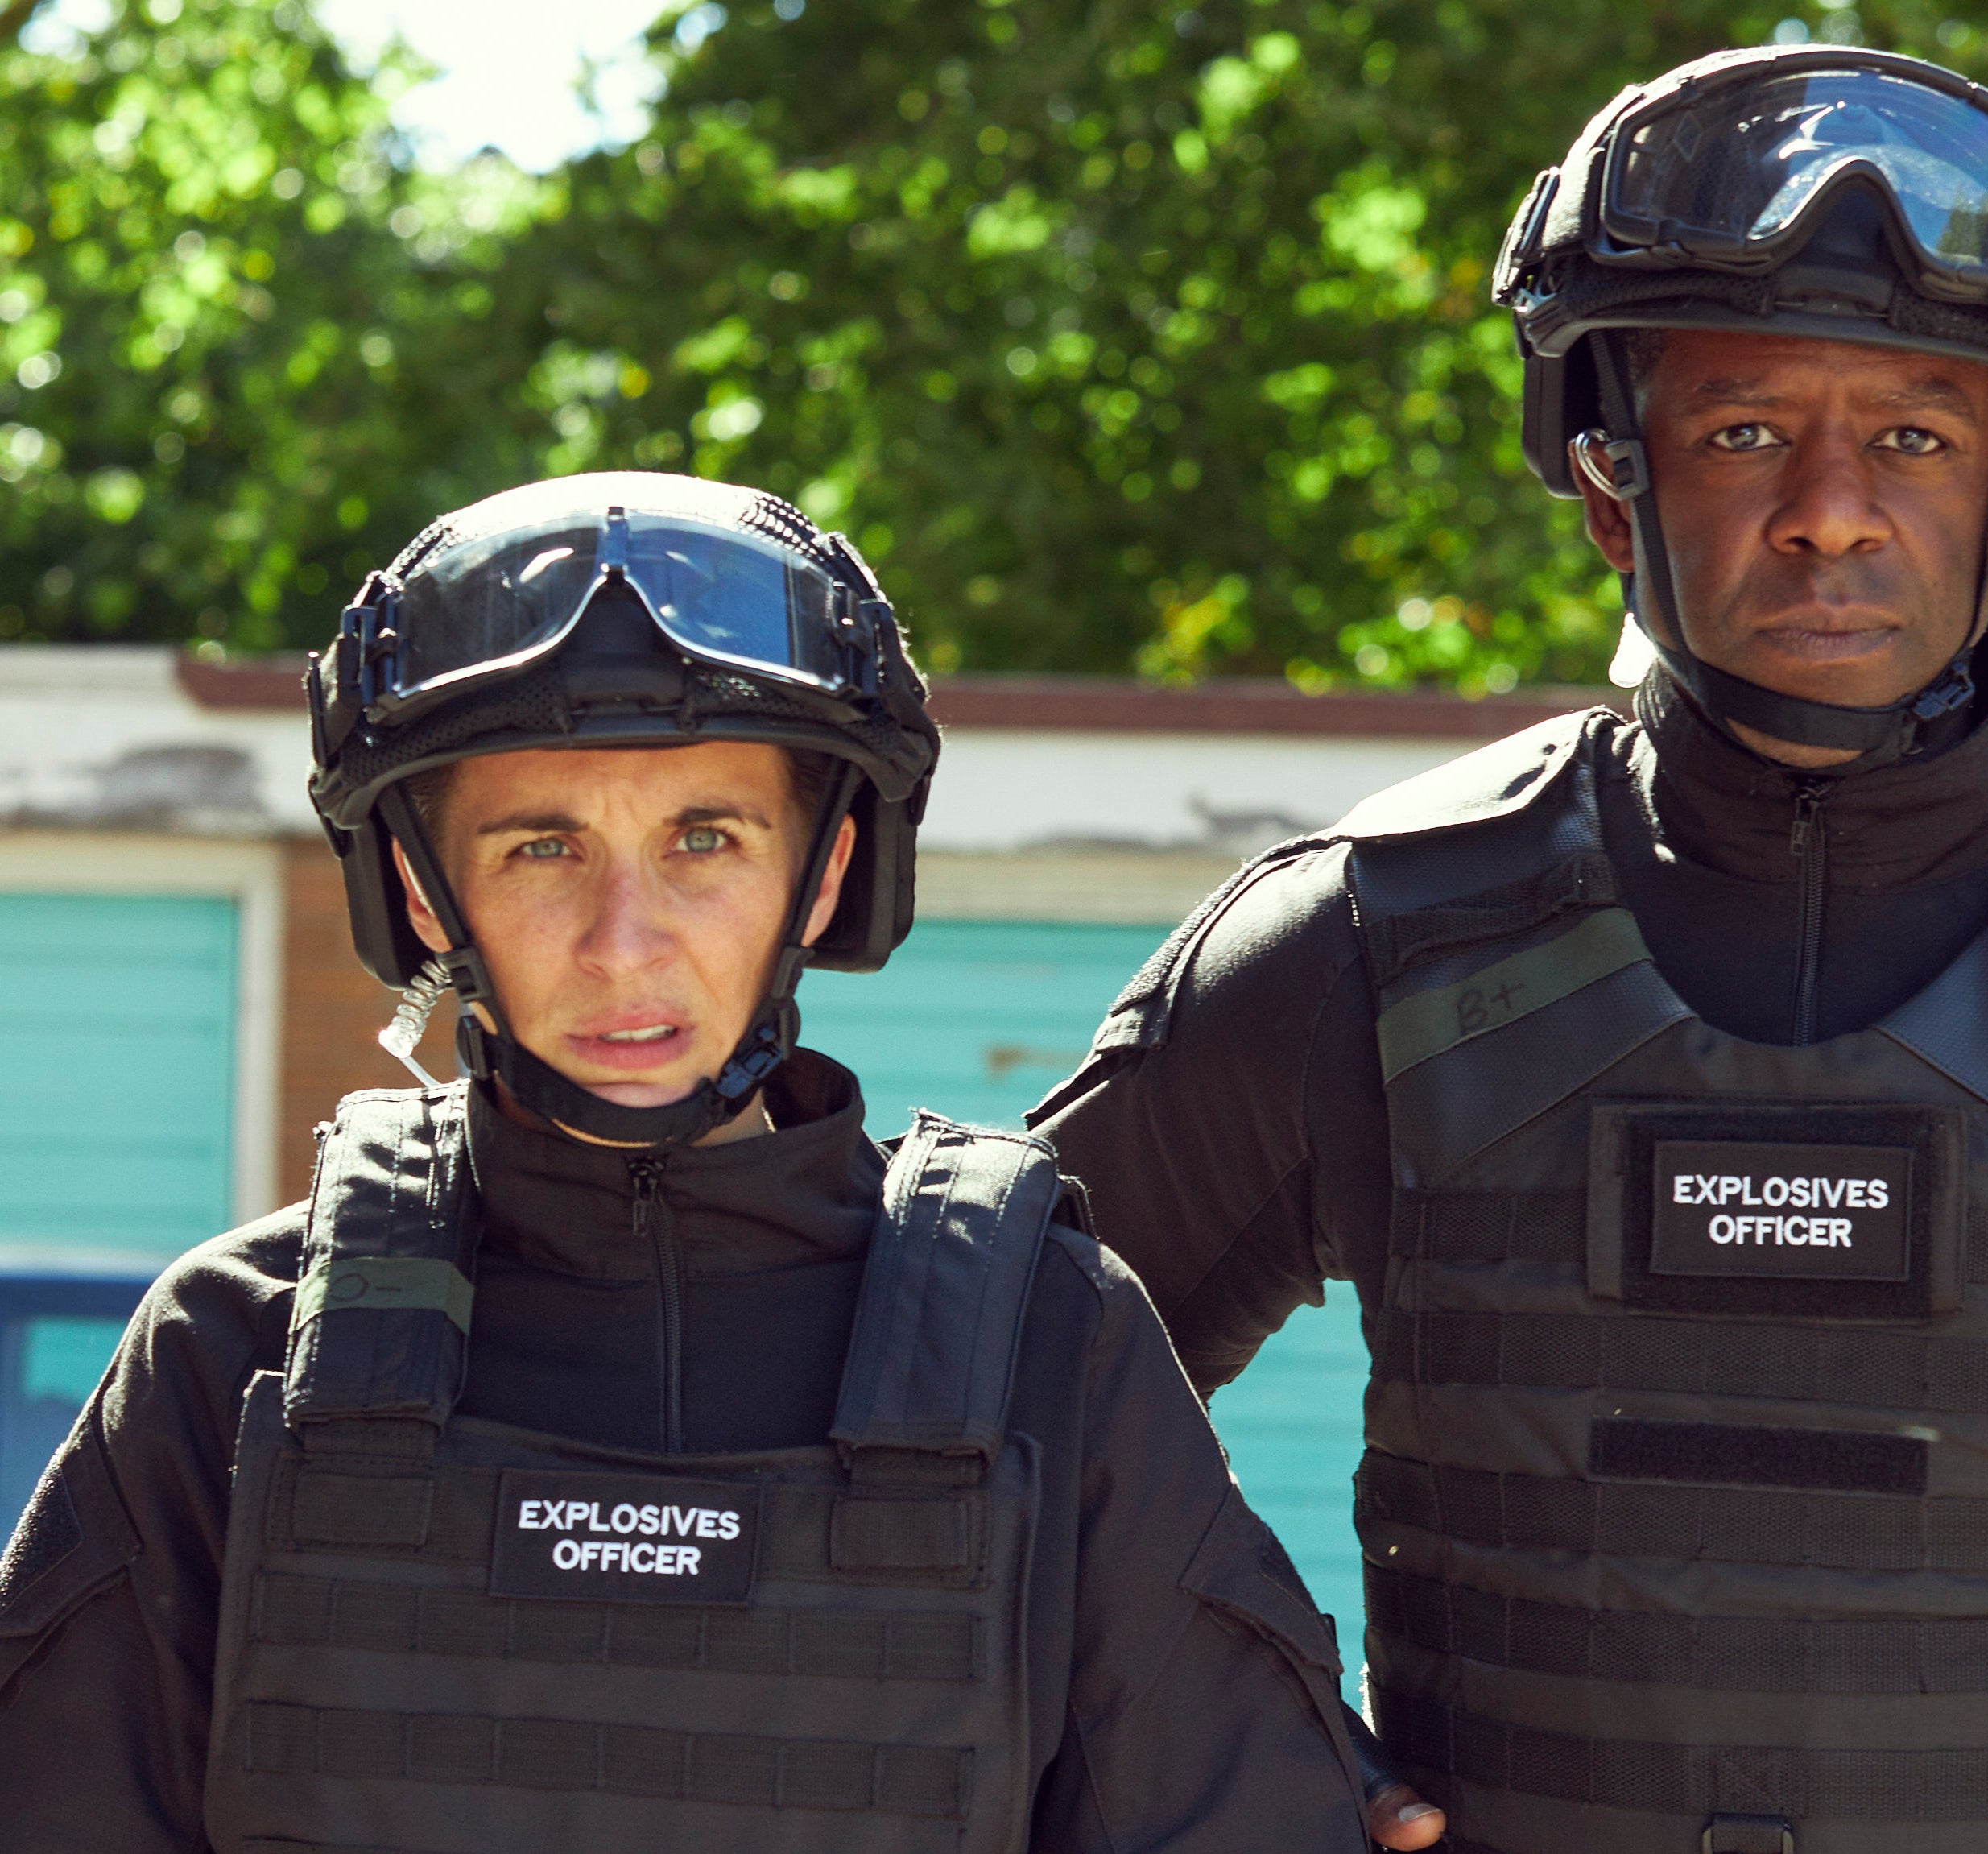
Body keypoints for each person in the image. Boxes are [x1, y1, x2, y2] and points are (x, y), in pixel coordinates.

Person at [1035, 44, 1988, 1854]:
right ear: (1603, 480)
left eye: (1911, 434)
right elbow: (963, 1437)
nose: (1827, 506)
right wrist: (1253, 1758)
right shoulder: (1366, 944)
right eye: (1738, 430)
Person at [0, 473, 1374, 1853]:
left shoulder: (1046, 1342)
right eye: (544, 846)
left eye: (702, 840)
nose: (623, 942)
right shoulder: (239, 1345)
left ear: (823, 872)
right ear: (426, 890)